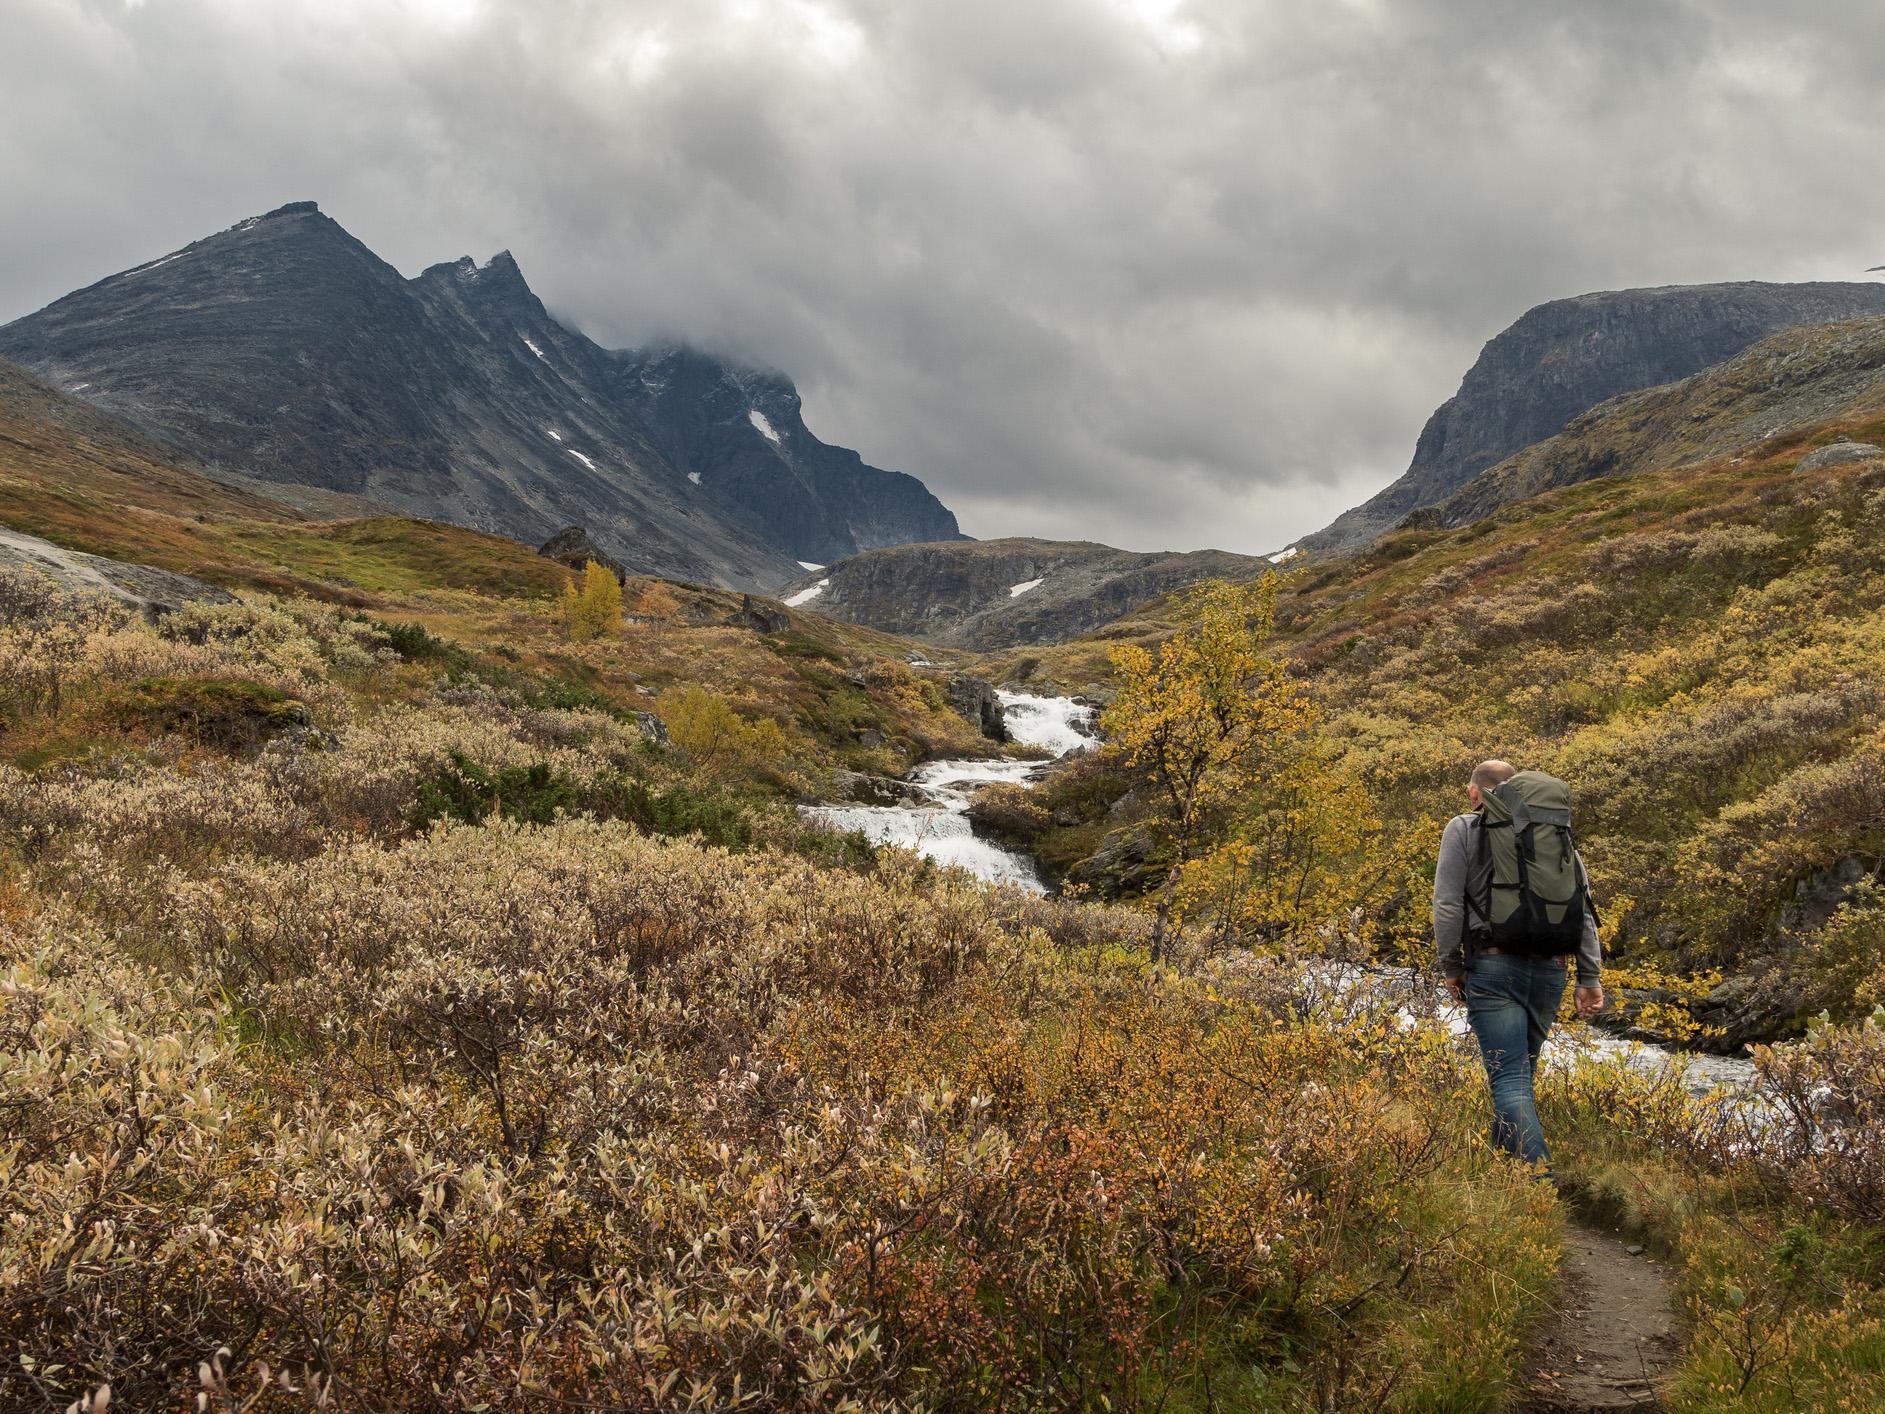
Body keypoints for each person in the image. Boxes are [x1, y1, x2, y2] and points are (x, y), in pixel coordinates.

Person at [1434, 759, 1603, 1179]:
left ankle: (1540, 1177)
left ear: (1478, 793)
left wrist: (1451, 966)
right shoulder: (1556, 837)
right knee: (1519, 1075)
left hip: (1493, 969)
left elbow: (1448, 904)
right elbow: (1581, 910)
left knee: (1509, 1079)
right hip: (1550, 972)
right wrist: (1590, 978)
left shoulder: (1465, 828)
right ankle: (1497, 1172)